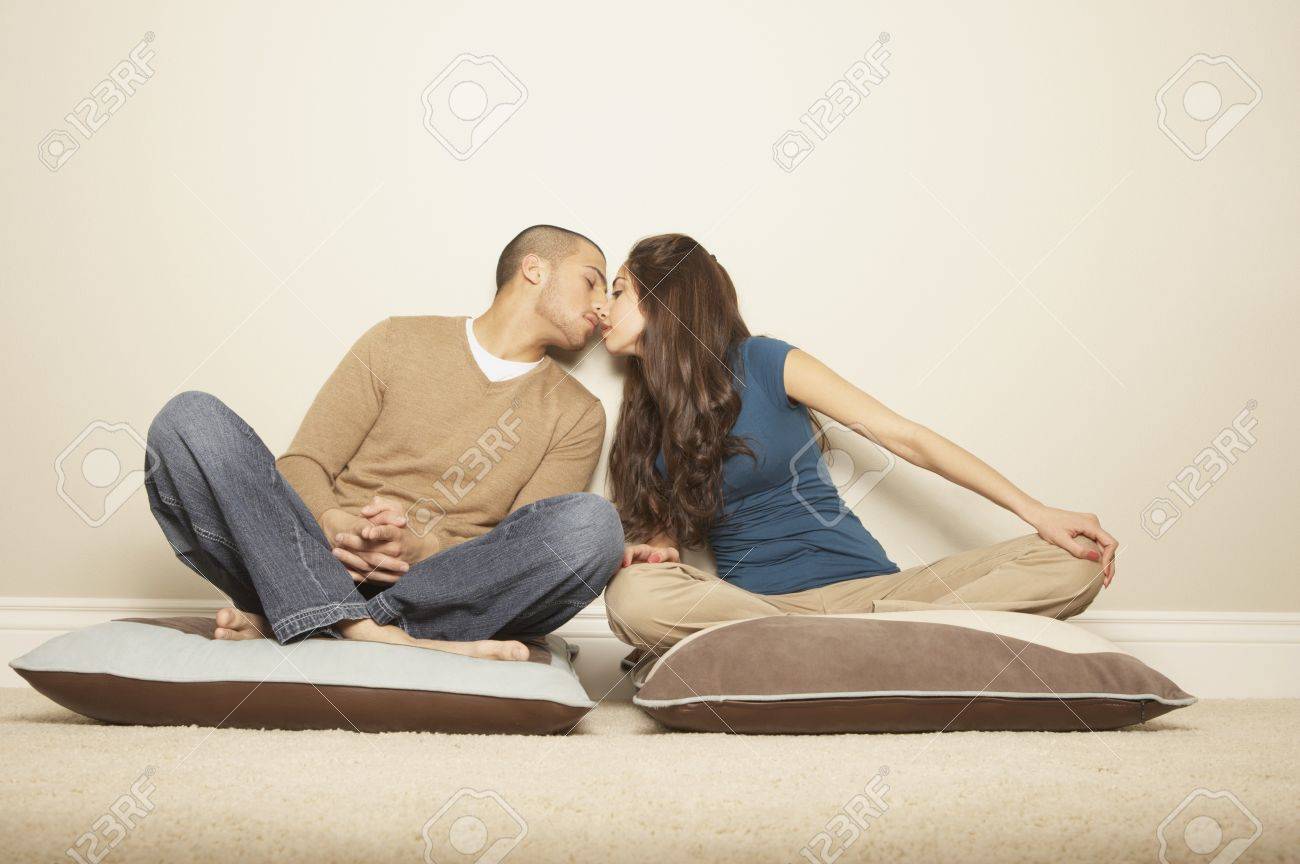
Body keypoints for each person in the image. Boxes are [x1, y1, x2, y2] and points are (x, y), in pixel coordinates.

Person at [595, 233, 1119, 660]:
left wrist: (1037, 512)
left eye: (618, 290)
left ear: (664, 296)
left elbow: (904, 436)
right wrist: (657, 553)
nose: (603, 308)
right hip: (762, 613)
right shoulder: (643, 422)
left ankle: (871, 638)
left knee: (1077, 561)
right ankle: (896, 645)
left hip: (876, 598)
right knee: (631, 597)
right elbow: (663, 541)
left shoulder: (765, 360)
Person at [143, 225, 624, 662]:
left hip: (438, 587)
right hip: (312, 557)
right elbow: (304, 463)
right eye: (592, 281)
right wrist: (334, 524)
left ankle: (306, 621)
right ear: (535, 269)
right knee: (188, 419)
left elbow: (520, 539)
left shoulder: (578, 412)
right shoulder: (396, 340)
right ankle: (356, 626)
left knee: (593, 526)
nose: (603, 305)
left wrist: (421, 547)